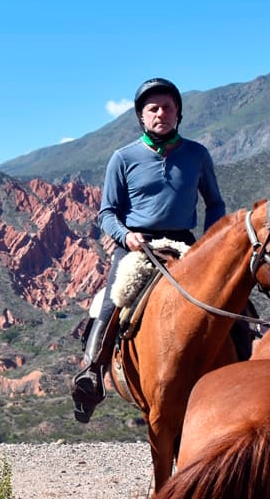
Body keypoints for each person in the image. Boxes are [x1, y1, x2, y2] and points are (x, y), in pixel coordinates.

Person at [71, 78, 226, 423]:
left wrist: (209, 242)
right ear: (141, 116)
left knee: (231, 297)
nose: (161, 113)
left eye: (168, 107)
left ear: (178, 114)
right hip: (137, 245)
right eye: (153, 108)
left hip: (184, 243)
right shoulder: (123, 158)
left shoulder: (197, 155)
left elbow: (215, 202)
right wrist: (125, 237)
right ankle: (91, 372)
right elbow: (106, 212)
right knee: (113, 301)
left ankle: (244, 362)